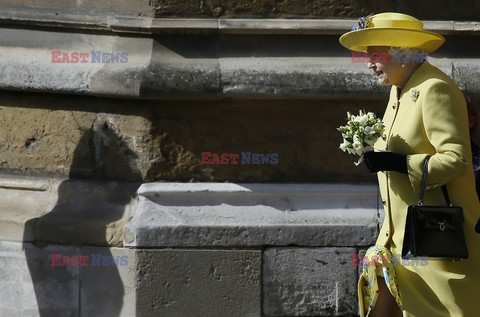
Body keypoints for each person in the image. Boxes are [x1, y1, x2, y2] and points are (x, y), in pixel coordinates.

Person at [339, 12, 480, 317]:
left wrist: (401, 164)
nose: (369, 64)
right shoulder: (397, 91)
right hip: (393, 241)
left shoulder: (435, 89)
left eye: (375, 55)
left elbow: (457, 160)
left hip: (434, 240)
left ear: (401, 52)